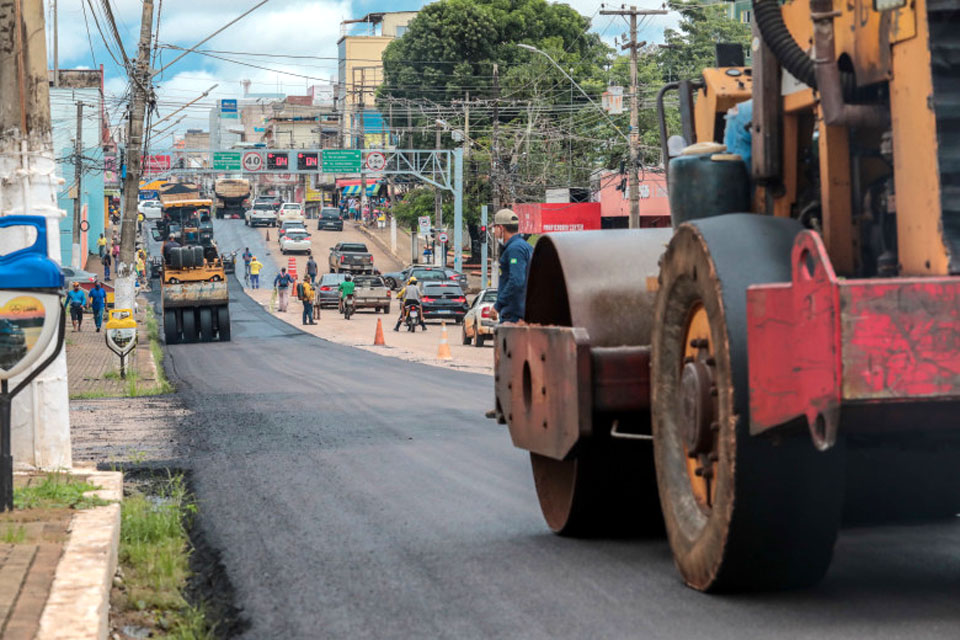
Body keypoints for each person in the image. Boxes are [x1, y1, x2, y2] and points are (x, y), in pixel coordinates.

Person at [491, 208, 533, 323]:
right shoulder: (525, 246)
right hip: (523, 312)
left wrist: (498, 305)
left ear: (501, 228)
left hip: (514, 315)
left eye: (494, 228)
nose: (494, 232)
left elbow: (516, 280)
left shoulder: (515, 249)